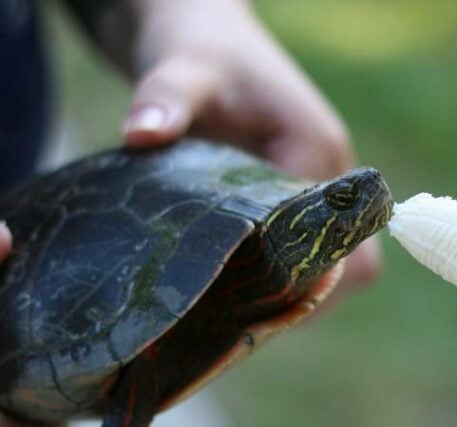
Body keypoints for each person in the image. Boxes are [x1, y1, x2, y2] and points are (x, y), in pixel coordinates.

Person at [0, 0, 379, 425]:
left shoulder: (248, 271)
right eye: (341, 200)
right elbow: (147, 349)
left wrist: (190, 14)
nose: (371, 189)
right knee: (152, 338)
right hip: (17, 265)